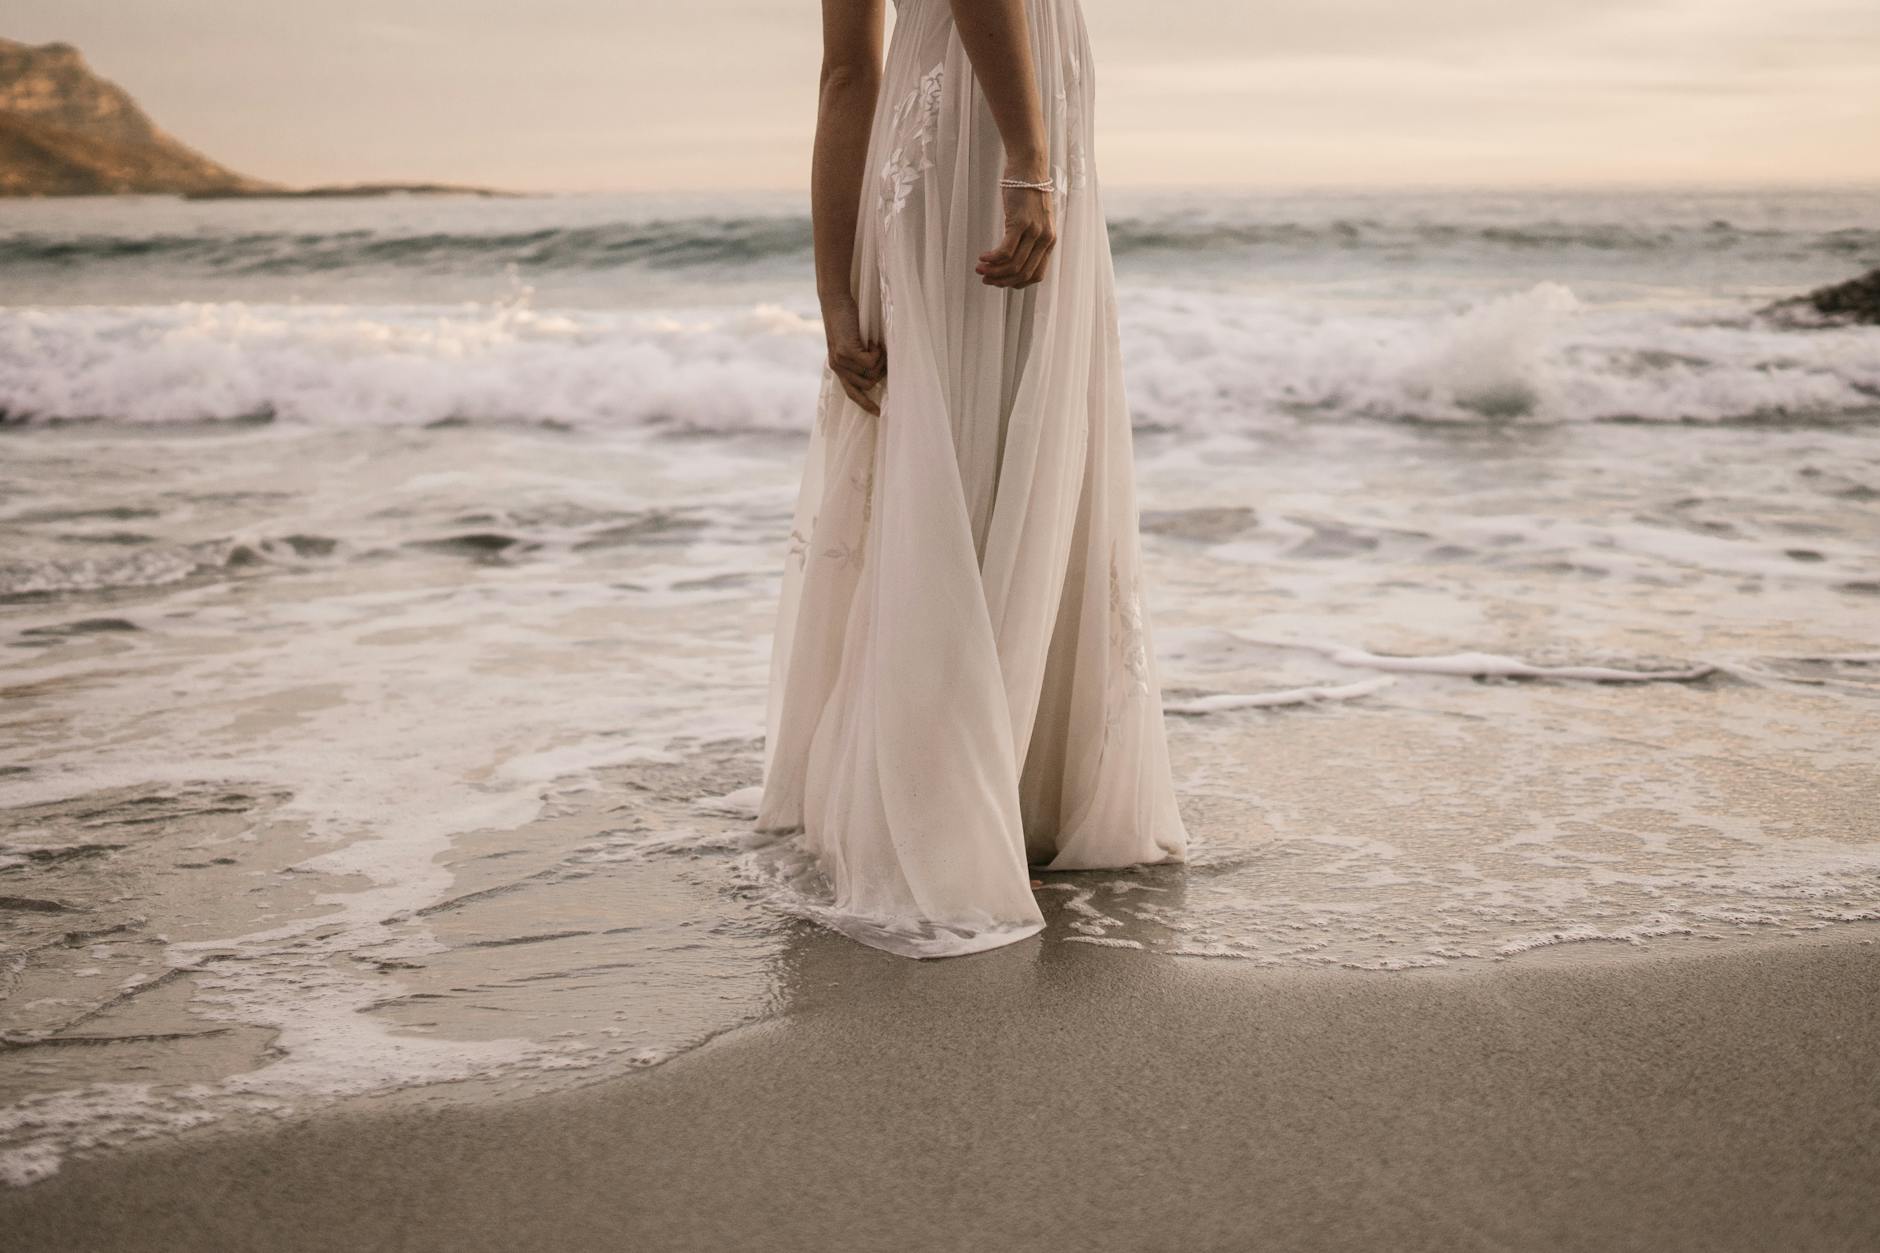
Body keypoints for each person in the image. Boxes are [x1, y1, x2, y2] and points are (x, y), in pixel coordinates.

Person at [754, 0, 1188, 958]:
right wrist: (1029, 159)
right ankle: (965, 811)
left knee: (957, 451)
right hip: (991, 149)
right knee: (996, 442)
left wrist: (834, 291)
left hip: (938, 150)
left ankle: (955, 793)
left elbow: (845, 74)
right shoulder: (1020, 152)